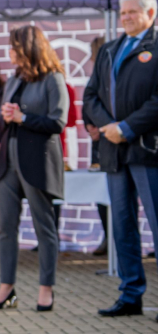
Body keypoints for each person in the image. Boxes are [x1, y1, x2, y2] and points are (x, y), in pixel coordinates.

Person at [83, 0, 158, 319]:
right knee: (123, 225)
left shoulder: (155, 47)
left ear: (150, 14)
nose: (125, 17)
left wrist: (126, 127)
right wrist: (109, 126)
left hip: (147, 150)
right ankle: (131, 295)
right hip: (114, 153)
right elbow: (90, 97)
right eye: (122, 12)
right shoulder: (110, 50)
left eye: (132, 12)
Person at [0, 25, 68, 312]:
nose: (10, 52)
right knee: (5, 228)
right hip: (8, 163)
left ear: (28, 47)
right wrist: (7, 116)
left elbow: (58, 122)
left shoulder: (53, 78)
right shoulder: (14, 78)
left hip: (38, 162)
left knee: (43, 227)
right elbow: (5, 121)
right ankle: (6, 288)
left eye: (13, 46)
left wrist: (23, 117)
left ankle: (46, 289)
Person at [83, 36, 108, 256]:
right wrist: (90, 126)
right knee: (101, 194)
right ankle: (108, 237)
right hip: (98, 143)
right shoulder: (94, 78)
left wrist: (102, 127)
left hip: (112, 140)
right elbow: (87, 105)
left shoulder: (111, 76)